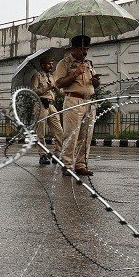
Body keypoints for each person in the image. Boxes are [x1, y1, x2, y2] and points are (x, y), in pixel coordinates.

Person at [53, 35, 99, 178]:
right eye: (81, 49)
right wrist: (75, 73)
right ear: (73, 48)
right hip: (73, 100)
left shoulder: (89, 63)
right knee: (71, 135)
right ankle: (67, 165)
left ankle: (81, 165)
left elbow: (95, 85)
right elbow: (59, 83)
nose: (84, 52)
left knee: (86, 135)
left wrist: (96, 81)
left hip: (89, 102)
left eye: (86, 48)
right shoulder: (64, 63)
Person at [30, 57, 62, 165]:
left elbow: (59, 93)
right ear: (43, 65)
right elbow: (34, 92)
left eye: (52, 63)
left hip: (52, 105)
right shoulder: (37, 76)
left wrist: (55, 88)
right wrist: (46, 89)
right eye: (49, 64)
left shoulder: (52, 76)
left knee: (59, 131)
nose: (51, 66)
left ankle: (57, 154)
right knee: (41, 132)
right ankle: (42, 154)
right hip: (41, 105)